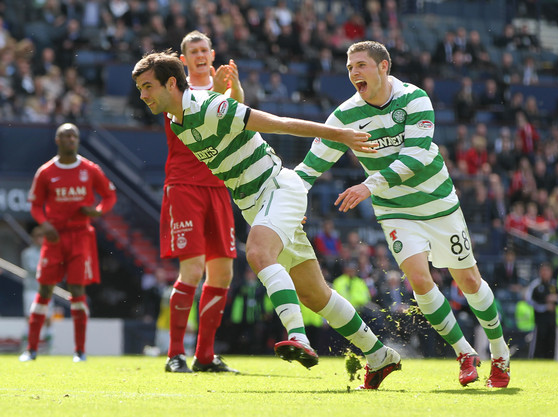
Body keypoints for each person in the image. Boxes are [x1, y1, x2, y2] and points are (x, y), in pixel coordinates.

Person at [132, 50, 402, 390]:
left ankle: (298, 336)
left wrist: (341, 136)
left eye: (147, 87)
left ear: (171, 83)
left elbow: (281, 123)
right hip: (255, 205)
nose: (142, 95)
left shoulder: (208, 106)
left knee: (258, 253)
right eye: (140, 89)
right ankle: (380, 355)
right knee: (315, 295)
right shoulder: (176, 119)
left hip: (278, 187)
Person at [295, 41, 510, 388]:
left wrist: (368, 185)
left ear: (384, 67)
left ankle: (500, 353)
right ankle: (465, 353)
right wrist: (290, 201)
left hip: (437, 203)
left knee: (469, 281)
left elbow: (418, 156)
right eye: (349, 68)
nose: (353, 73)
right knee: (420, 281)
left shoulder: (414, 98)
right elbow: (310, 166)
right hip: (395, 210)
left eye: (361, 65)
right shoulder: (345, 116)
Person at [159, 30, 243, 374]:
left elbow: (238, 119)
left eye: (204, 49)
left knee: (222, 273)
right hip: (184, 186)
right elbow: (193, 122)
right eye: (193, 51)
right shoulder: (175, 90)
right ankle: (174, 354)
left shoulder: (225, 88)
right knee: (192, 270)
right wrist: (221, 93)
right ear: (183, 60)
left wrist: (234, 88)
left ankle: (205, 355)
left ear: (212, 54)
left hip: (218, 186)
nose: (199, 55)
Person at [20, 123, 117, 362]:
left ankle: (79, 351)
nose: (70, 139)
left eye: (74, 136)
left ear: (78, 140)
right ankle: (31, 349)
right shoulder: (46, 172)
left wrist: (98, 211)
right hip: (54, 237)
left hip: (80, 236)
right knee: (44, 289)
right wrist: (44, 224)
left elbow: (109, 195)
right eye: (66, 136)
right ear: (57, 140)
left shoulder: (90, 169)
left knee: (77, 290)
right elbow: (35, 205)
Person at [21, 226, 53, 349]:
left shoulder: (51, 252)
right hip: (31, 289)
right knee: (30, 316)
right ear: (34, 238)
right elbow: (32, 269)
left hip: (47, 289)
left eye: (43, 237)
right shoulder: (27, 253)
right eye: (38, 237)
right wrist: (48, 268)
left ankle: (49, 344)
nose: (41, 240)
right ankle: (27, 343)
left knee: (47, 316)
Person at [526, 262, 558, 359]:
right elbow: (529, 300)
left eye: (547, 270)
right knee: (539, 342)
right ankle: (536, 359)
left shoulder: (554, 285)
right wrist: (544, 306)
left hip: (552, 320)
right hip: (540, 320)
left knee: (551, 342)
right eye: (543, 270)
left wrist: (556, 298)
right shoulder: (535, 285)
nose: (545, 273)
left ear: (551, 272)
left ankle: (551, 360)